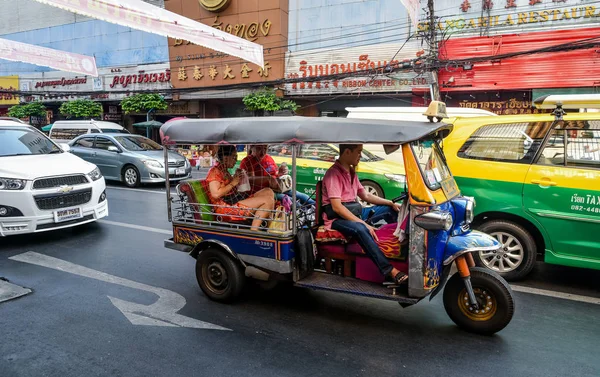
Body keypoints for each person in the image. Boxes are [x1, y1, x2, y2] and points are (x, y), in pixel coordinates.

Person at [322, 144, 408, 284]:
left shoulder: (351, 172)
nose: (360, 156)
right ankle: (389, 270)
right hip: (336, 219)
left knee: (391, 210)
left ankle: (398, 249)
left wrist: (390, 203)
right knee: (361, 229)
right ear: (348, 152)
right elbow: (337, 208)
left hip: (354, 211)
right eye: (359, 152)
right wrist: (363, 223)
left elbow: (366, 195)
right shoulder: (333, 174)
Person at [206, 145, 275, 231]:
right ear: (225, 158)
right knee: (268, 200)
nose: (236, 160)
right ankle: (254, 231)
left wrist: (237, 178)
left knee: (268, 191)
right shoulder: (214, 171)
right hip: (224, 208)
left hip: (233, 200)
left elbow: (234, 190)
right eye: (234, 157)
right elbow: (216, 194)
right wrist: (233, 182)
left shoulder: (225, 171)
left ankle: (268, 226)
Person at [240, 144, 315, 205]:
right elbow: (249, 179)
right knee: (293, 203)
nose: (263, 152)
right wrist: (267, 179)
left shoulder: (268, 158)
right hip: (264, 192)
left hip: (278, 188)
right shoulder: (247, 161)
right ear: (252, 148)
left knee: (304, 197)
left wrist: (280, 173)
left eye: (265, 149)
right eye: (259, 149)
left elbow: (276, 174)